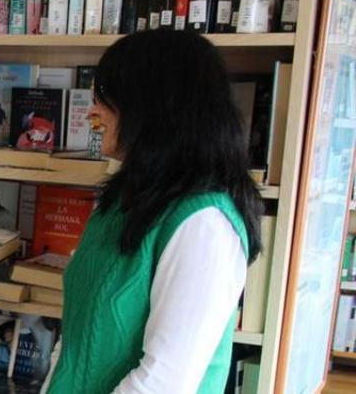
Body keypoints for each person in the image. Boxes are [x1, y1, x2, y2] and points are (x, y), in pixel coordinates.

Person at [44, 30, 264, 393]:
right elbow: (76, 343)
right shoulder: (123, 203)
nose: (93, 111)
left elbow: (164, 382)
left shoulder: (205, 224)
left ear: (152, 107)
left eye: (106, 99)